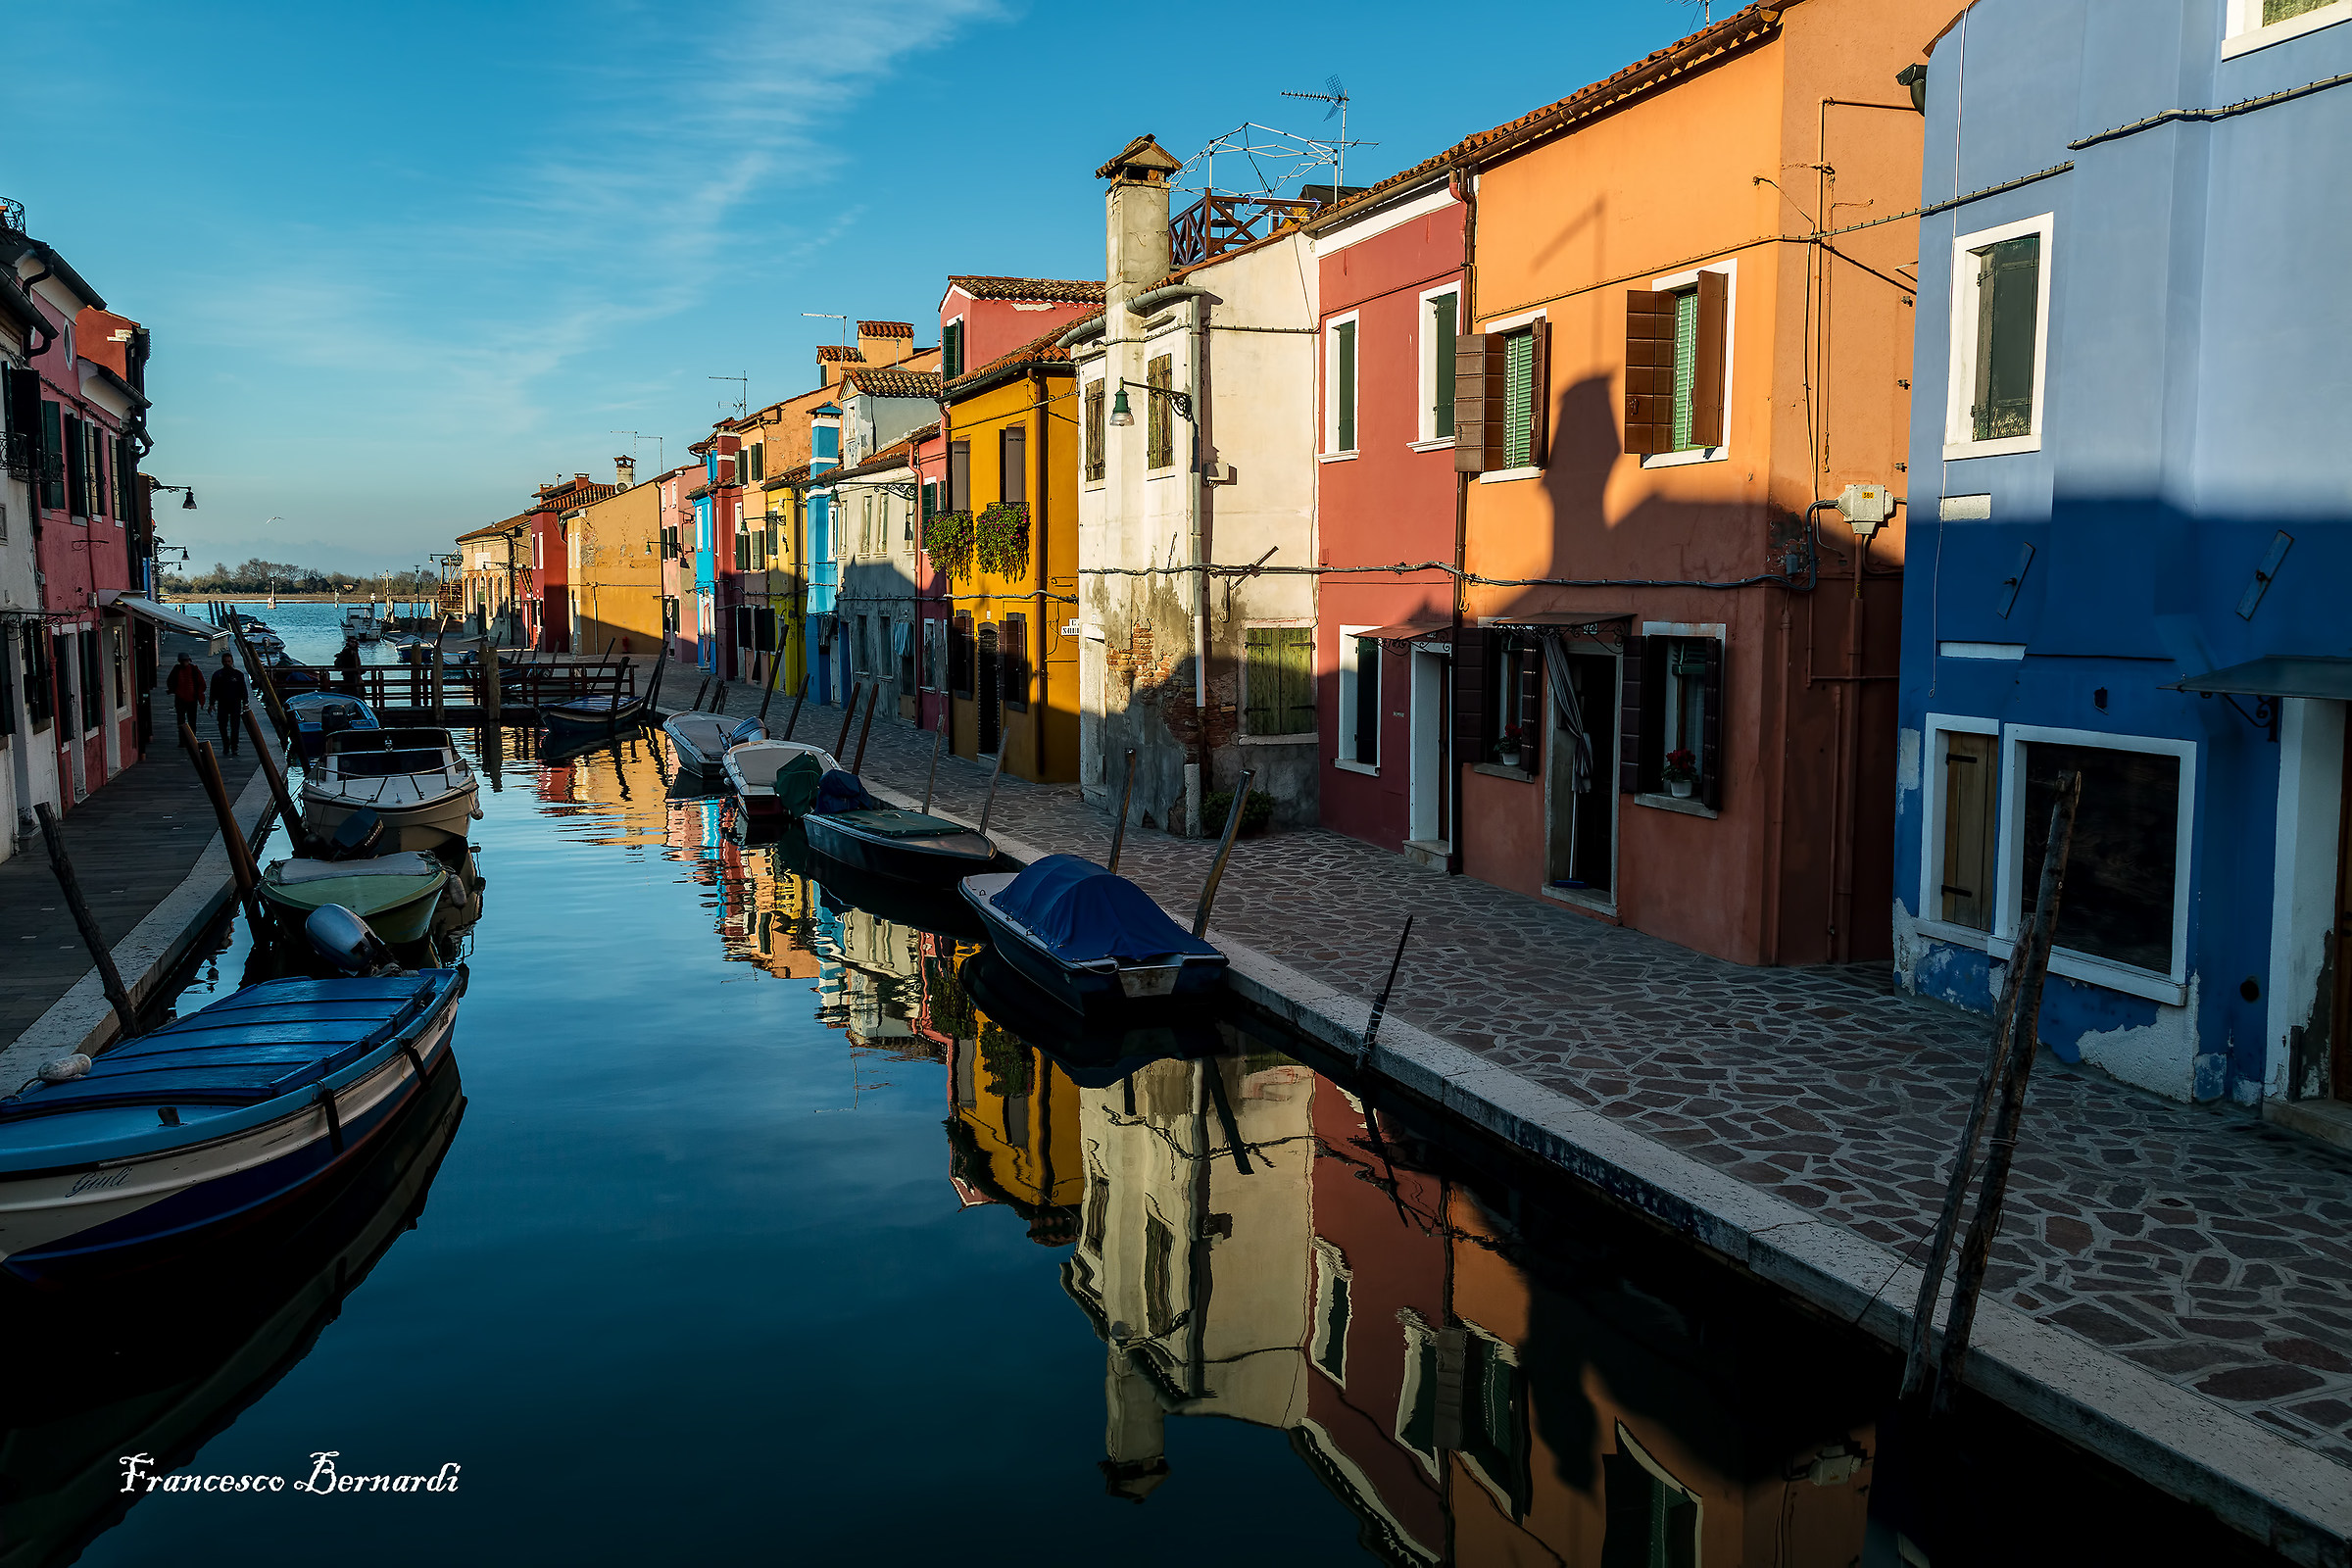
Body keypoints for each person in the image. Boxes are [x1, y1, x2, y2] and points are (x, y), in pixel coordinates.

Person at [207, 652, 250, 758]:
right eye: (225, 661)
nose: (227, 663)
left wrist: (245, 703)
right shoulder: (217, 675)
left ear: (232, 662)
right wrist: (211, 704)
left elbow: (243, 690)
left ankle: (234, 747)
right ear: (222, 662)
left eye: (229, 661)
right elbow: (213, 690)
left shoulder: (238, 675)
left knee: (235, 727)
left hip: (235, 704)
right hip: (222, 704)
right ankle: (226, 745)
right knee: (222, 726)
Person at [167, 653, 206, 745]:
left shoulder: (194, 670)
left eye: (186, 660)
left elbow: (201, 683)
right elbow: (170, 681)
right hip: (180, 698)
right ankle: (183, 741)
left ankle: (192, 740)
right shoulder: (177, 670)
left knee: (191, 721)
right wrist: (174, 690)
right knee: (181, 721)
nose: (185, 662)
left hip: (191, 698)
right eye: (183, 661)